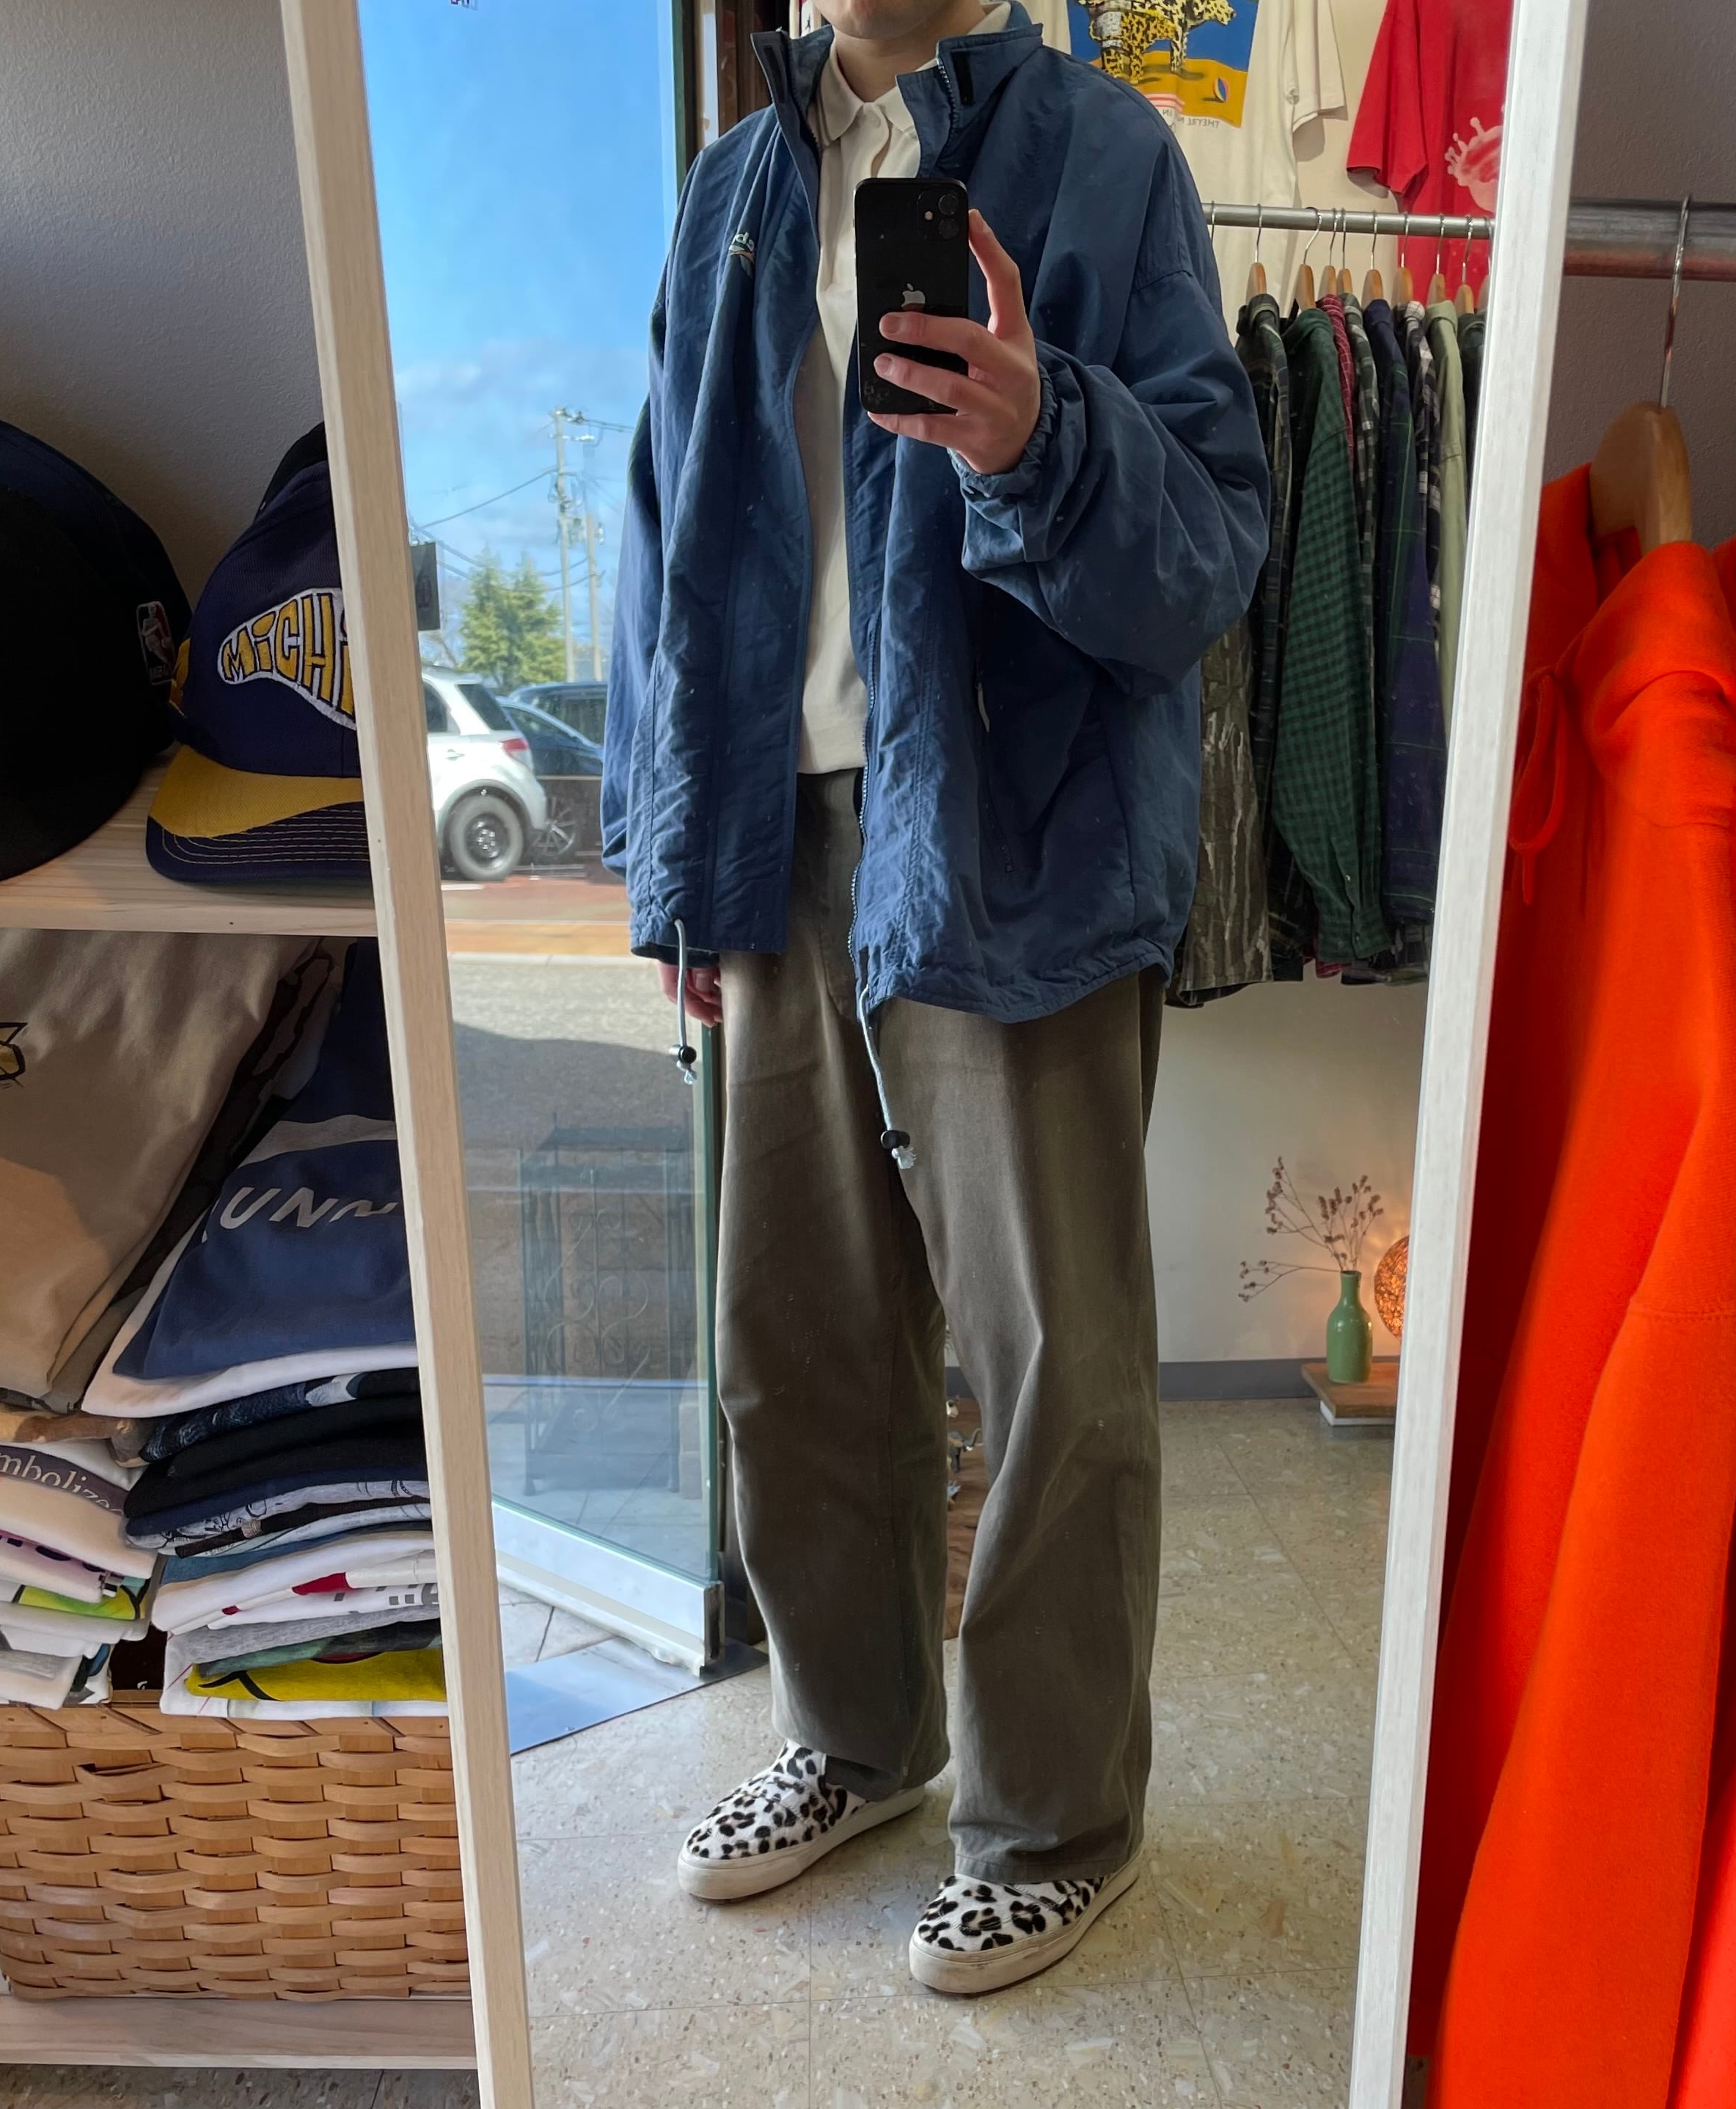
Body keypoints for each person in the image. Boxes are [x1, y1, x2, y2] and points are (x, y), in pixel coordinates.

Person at [603, 0, 1267, 1996]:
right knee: (794, 1336)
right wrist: (669, 849)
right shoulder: (736, 184)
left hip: (1008, 827)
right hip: (774, 830)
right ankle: (855, 1736)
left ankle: (1056, 1822)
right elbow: (658, 530)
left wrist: (1039, 436)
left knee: (1051, 1356)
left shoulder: (1107, 155)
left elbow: (1211, 554)